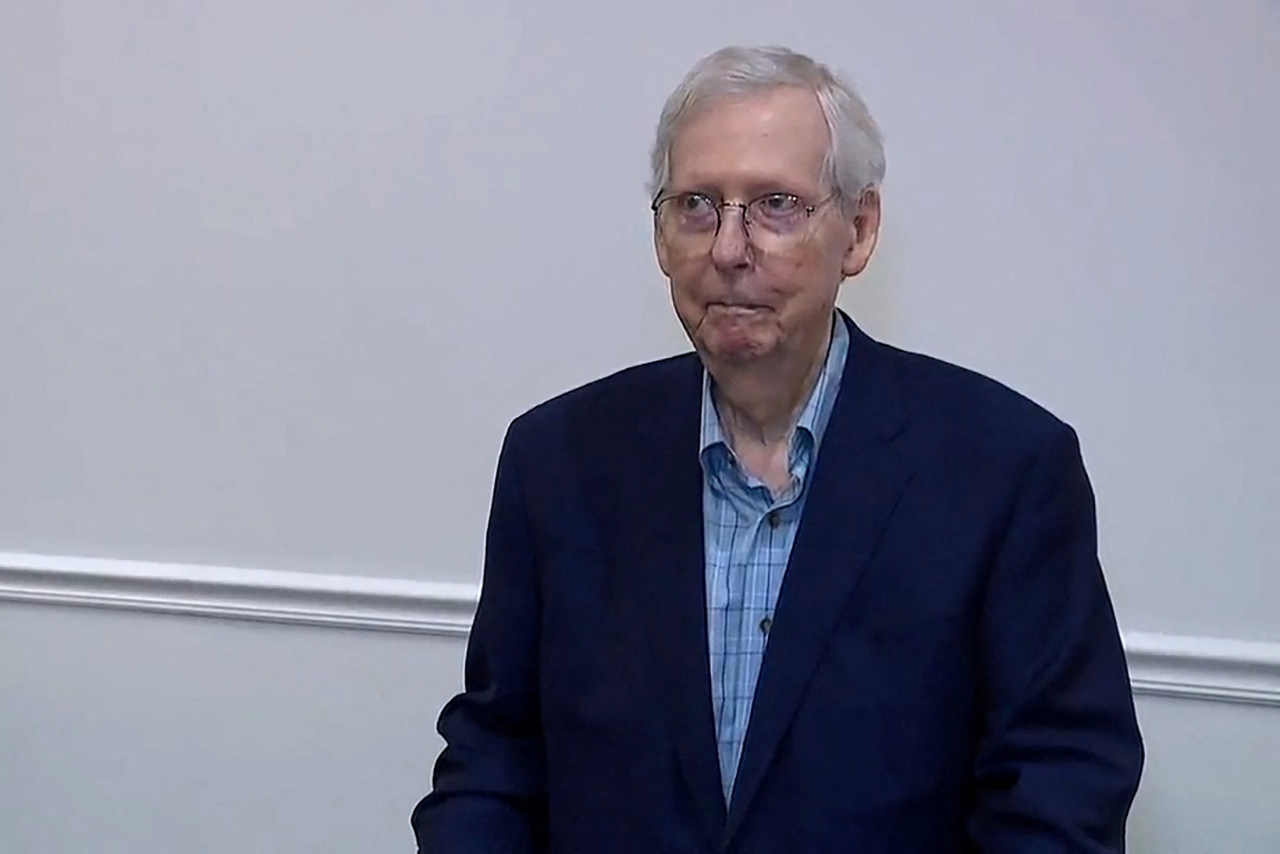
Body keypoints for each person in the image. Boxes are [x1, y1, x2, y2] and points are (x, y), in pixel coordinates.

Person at [412, 45, 1143, 853]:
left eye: (776, 206)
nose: (729, 248)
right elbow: (494, 762)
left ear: (858, 231)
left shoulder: (1004, 469)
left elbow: (1058, 790)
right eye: (697, 204)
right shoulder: (557, 460)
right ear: (659, 236)